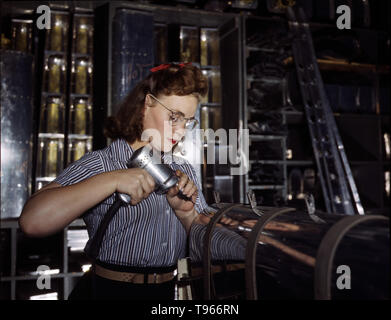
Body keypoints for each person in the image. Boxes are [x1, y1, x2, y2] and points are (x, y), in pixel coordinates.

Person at [19, 63, 212, 300]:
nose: (181, 130)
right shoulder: (103, 163)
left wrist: (187, 216)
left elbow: (208, 247)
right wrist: (112, 180)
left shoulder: (184, 171)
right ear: (147, 103)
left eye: (188, 121)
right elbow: (32, 221)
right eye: (174, 117)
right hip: (111, 292)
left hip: (164, 293)